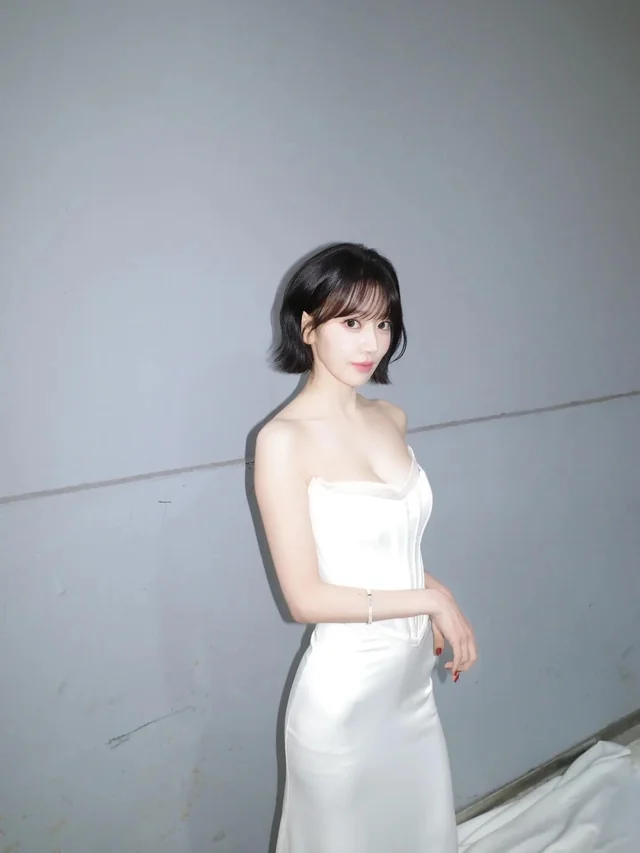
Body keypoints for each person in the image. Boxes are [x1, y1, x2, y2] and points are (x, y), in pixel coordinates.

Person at [254, 242, 477, 852]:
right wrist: (431, 602)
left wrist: (437, 592)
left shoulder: (391, 418)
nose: (372, 342)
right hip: (344, 699)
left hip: (409, 688)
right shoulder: (282, 441)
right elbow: (305, 599)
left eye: (382, 323)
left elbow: (382, 547)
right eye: (351, 322)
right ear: (308, 327)